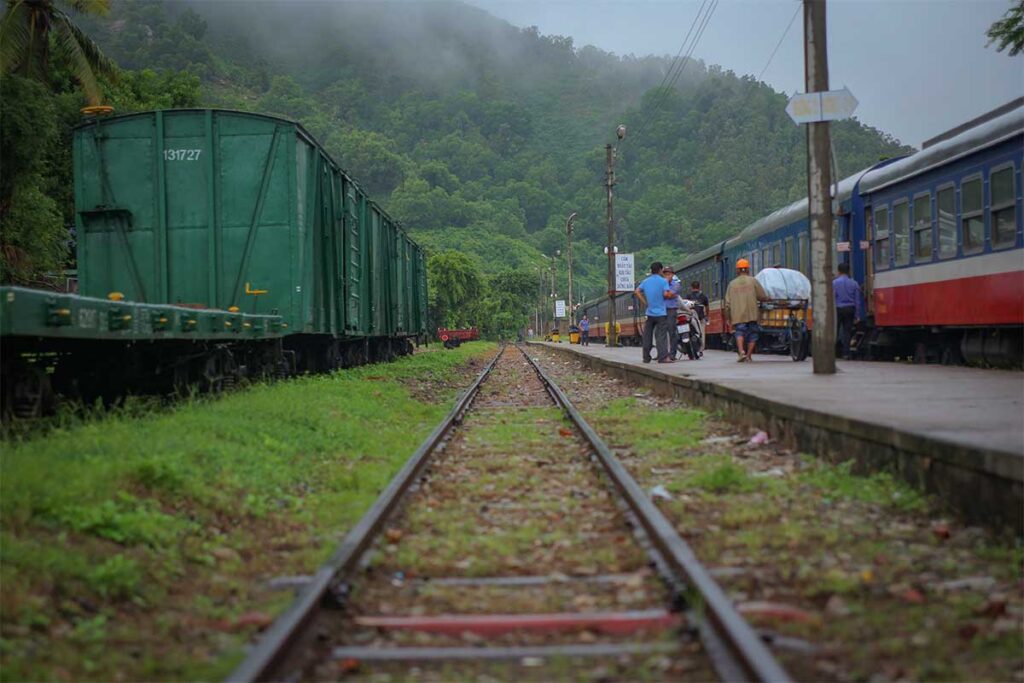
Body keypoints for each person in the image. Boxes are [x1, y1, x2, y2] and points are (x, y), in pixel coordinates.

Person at [723, 258, 768, 363]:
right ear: (748, 269)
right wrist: (766, 298)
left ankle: (741, 351)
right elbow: (762, 296)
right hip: (752, 314)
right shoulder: (753, 281)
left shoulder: (732, 284)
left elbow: (727, 304)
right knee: (753, 334)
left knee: (739, 332)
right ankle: (748, 356)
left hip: (738, 315)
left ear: (737, 270)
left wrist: (728, 318)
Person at [634, 261, 677, 364]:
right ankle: (663, 357)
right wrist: (671, 295)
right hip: (661, 313)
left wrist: (645, 302)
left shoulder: (646, 281)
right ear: (660, 270)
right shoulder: (663, 281)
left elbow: (637, 291)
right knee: (661, 336)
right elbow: (666, 294)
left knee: (647, 336)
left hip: (650, 313)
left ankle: (646, 357)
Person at [833, 262, 862, 360]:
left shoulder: (835, 283)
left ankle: (834, 352)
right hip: (850, 309)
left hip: (838, 309)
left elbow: (832, 298)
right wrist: (857, 315)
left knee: (835, 331)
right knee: (847, 332)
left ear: (839, 271)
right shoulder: (854, 283)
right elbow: (857, 301)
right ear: (848, 271)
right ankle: (846, 353)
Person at [662, 266, 683, 358]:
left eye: (669, 274)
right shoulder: (661, 284)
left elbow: (669, 295)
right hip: (662, 310)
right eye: (665, 274)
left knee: (672, 331)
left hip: (671, 310)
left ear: (673, 275)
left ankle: (672, 353)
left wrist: (664, 293)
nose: (667, 276)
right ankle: (662, 353)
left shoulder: (676, 285)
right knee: (661, 332)